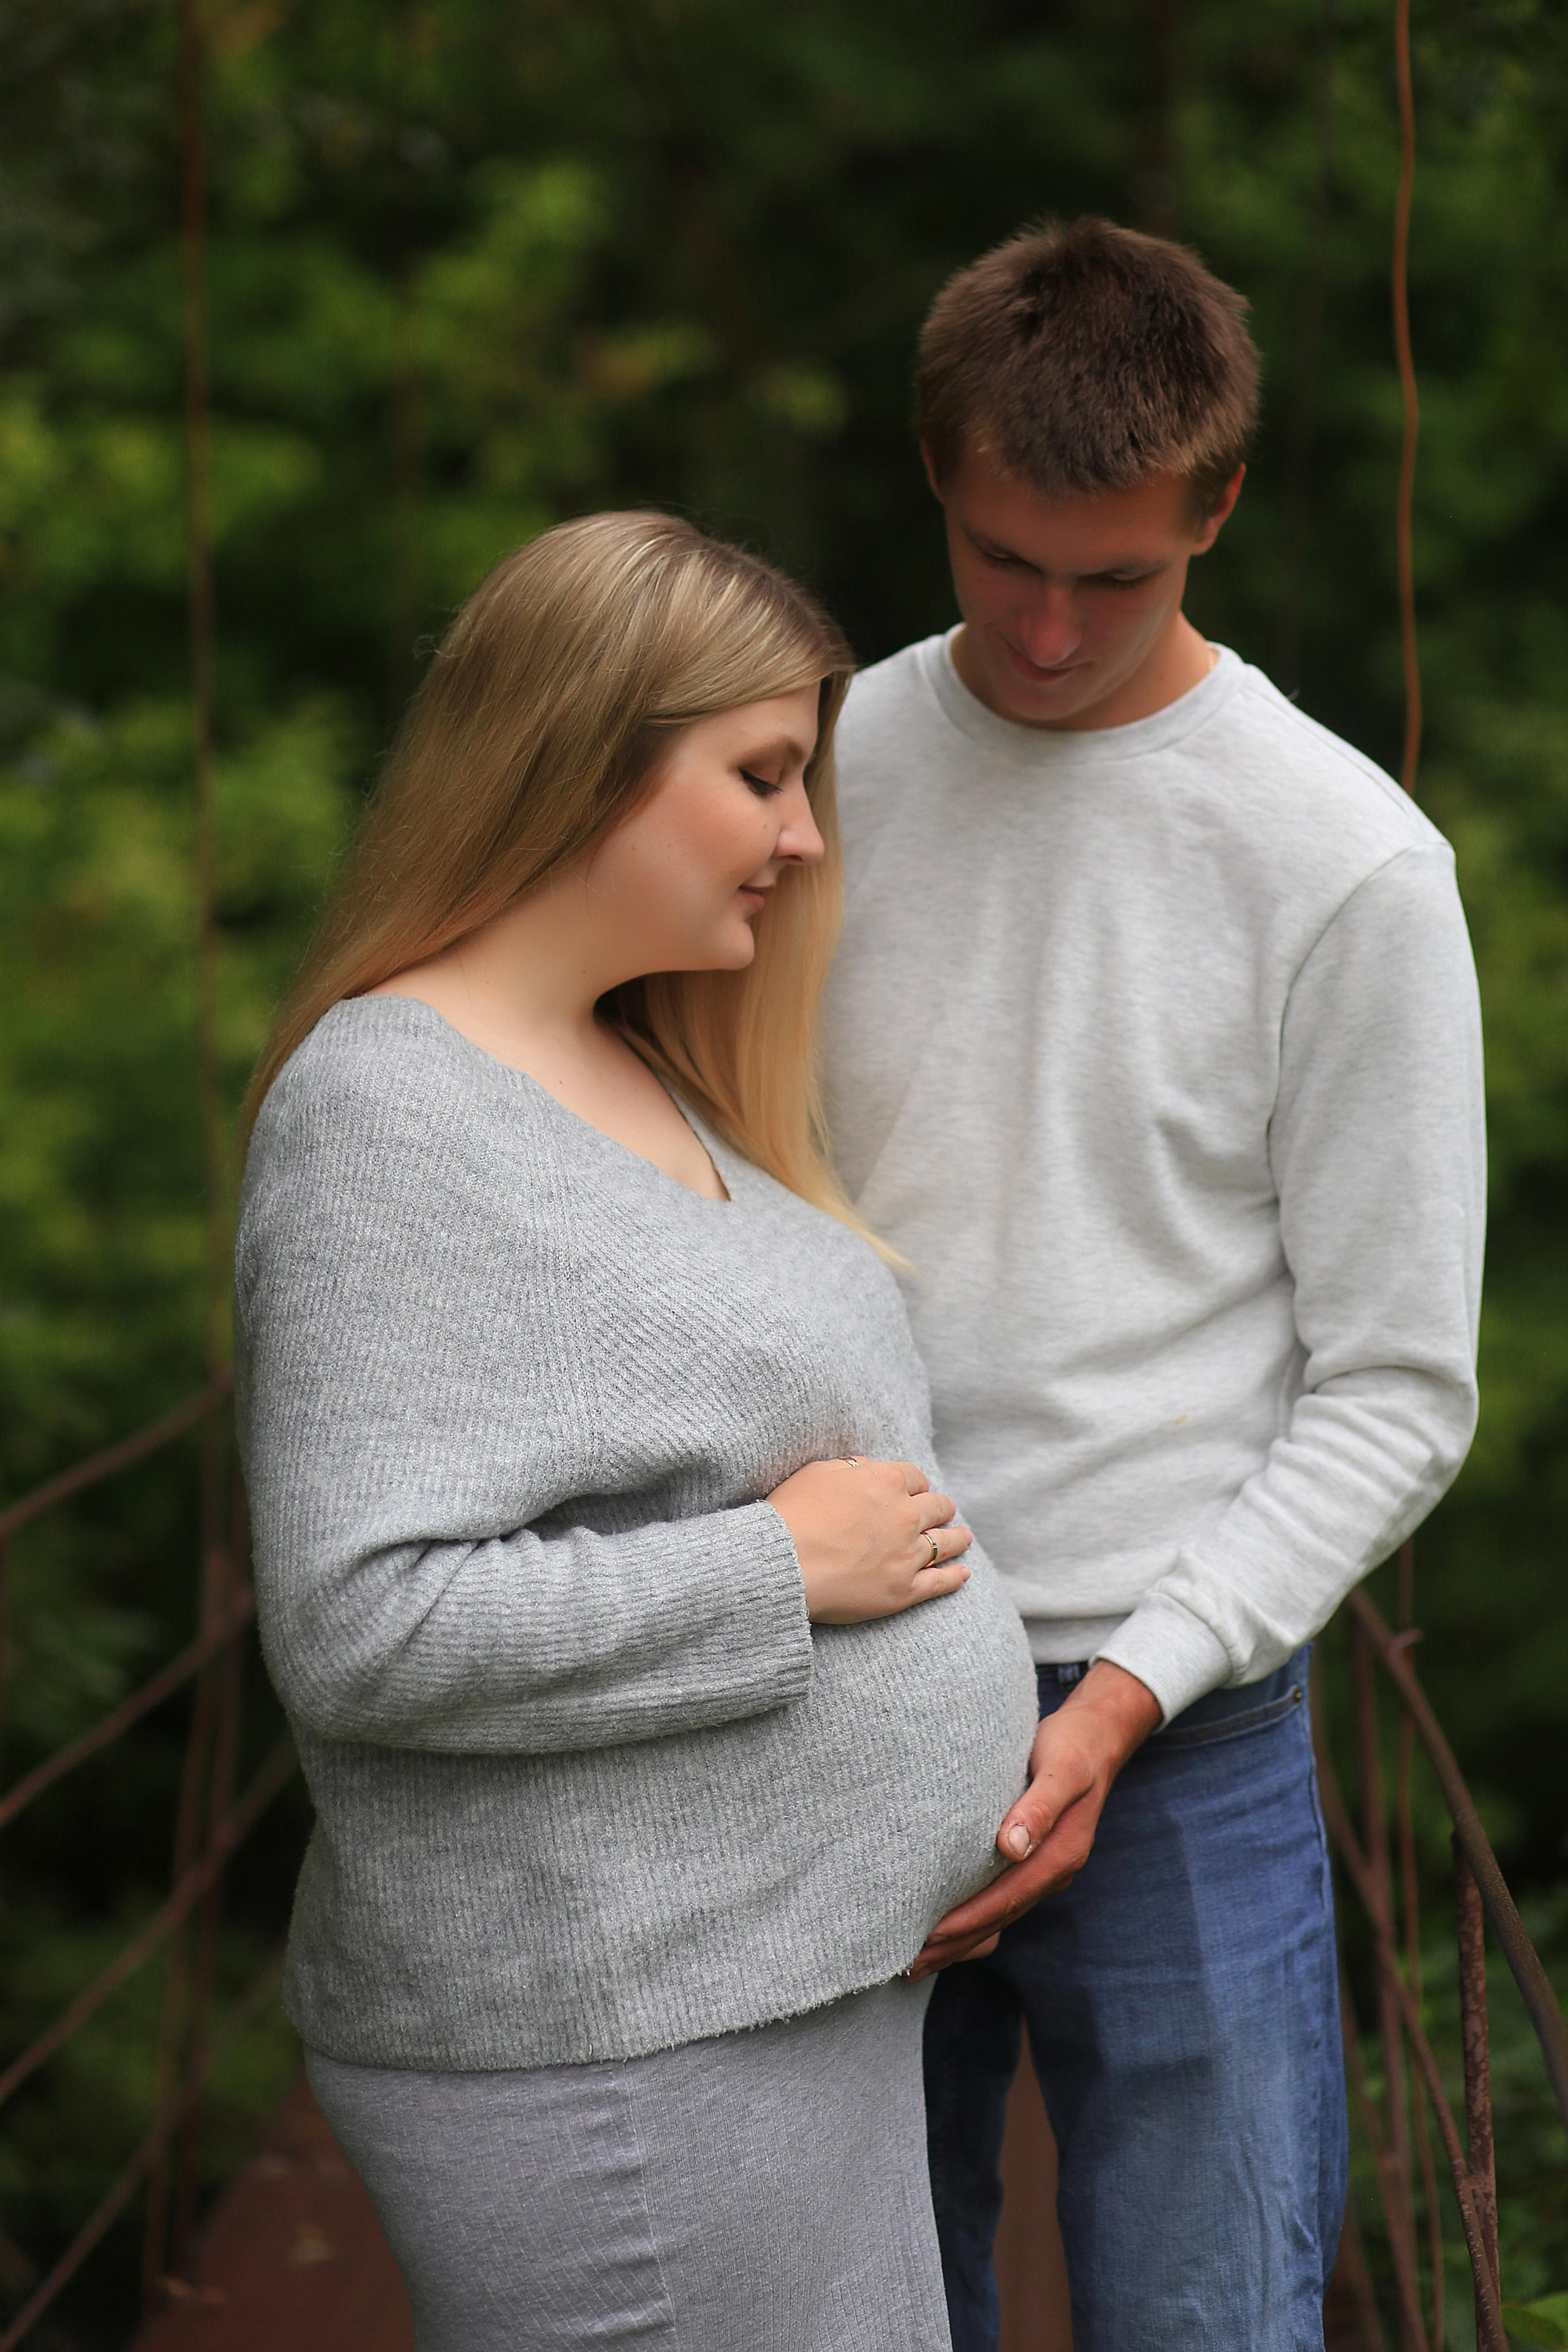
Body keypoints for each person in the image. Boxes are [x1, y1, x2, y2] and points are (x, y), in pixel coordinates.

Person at [234, 511, 1039, 2352]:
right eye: (762, 773)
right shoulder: (387, 1116)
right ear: (590, 751)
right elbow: (368, 1625)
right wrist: (786, 1569)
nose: (806, 833)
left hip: (768, 2007)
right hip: (617, 2057)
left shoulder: (645, 1064)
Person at [820, 219, 1485, 2352]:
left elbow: (1398, 1387)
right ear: (937, 471)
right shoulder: (799, 773)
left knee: (1210, 2323)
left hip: (1175, 1710)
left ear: (1215, 504)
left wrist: (1120, 1703)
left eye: (1110, 577)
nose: (1038, 630)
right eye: (1001, 556)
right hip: (821, 1677)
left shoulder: (1348, 862)